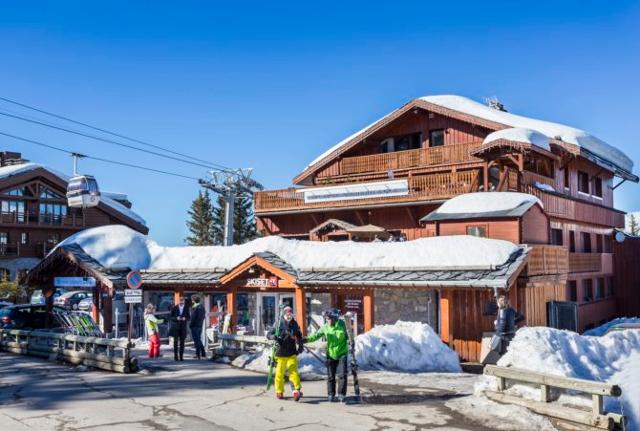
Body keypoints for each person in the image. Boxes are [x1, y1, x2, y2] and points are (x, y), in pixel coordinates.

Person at [303, 308, 349, 402]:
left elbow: (348, 336)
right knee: (331, 376)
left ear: (334, 318)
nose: (327, 320)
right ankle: (331, 394)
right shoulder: (325, 327)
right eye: (326, 318)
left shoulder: (342, 325)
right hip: (331, 354)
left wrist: (351, 341)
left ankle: (341, 394)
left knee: (342, 375)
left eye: (329, 318)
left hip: (342, 353)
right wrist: (306, 339)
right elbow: (316, 336)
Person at [267, 306, 304, 401]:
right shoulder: (278, 323)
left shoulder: (294, 324)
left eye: (290, 313)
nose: (289, 315)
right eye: (287, 314)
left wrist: (300, 346)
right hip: (280, 352)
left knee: (293, 372)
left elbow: (299, 336)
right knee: (279, 373)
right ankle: (279, 391)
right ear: (284, 314)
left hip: (291, 352)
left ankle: (296, 390)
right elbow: (269, 334)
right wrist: (273, 337)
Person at [170, 297, 191, 361]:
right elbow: (171, 317)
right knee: (175, 342)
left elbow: (189, 318)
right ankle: (175, 356)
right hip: (176, 327)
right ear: (179, 301)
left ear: (184, 301)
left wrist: (185, 319)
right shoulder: (174, 307)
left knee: (182, 342)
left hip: (183, 327)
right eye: (180, 300)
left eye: (182, 300)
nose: (181, 302)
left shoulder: (186, 308)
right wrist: (176, 318)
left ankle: (181, 356)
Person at [190, 295, 206, 359]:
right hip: (200, 325)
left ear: (193, 300)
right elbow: (203, 316)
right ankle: (203, 353)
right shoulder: (202, 307)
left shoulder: (195, 307)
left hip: (194, 325)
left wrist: (191, 324)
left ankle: (198, 354)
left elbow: (193, 317)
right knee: (198, 339)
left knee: (196, 340)